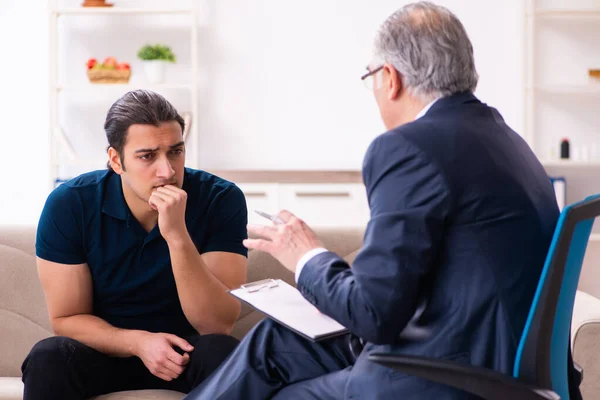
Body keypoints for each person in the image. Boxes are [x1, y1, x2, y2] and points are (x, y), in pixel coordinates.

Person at [184, 2, 582, 399]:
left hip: (449, 378)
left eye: (370, 76)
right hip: (480, 356)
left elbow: (374, 315)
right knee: (273, 340)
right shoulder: (507, 140)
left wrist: (306, 256)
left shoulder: (409, 148)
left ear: (389, 78)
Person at [21, 90, 248, 399]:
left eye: (176, 152)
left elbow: (216, 323)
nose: (167, 171)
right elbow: (67, 318)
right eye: (147, 156)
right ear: (116, 160)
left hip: (184, 353)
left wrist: (177, 236)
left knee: (224, 352)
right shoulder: (70, 203)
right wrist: (138, 342)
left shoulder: (220, 198)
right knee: (48, 356)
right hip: (104, 352)